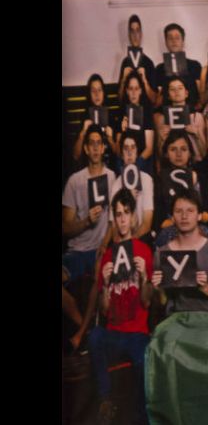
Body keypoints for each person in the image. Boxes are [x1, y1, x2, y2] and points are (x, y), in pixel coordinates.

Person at [89, 189, 153, 425]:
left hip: (137, 334)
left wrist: (145, 277)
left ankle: (141, 417)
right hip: (115, 333)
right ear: (114, 220)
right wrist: (105, 284)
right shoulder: (107, 256)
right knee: (95, 335)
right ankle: (105, 400)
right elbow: (104, 311)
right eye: (118, 214)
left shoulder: (144, 251)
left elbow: (147, 301)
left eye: (126, 213)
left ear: (133, 217)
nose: (123, 219)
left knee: (142, 361)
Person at [62, 125, 117, 354]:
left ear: (104, 148)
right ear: (85, 149)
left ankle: (79, 336)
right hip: (77, 250)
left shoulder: (113, 177)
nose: (95, 147)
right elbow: (65, 227)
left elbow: (115, 221)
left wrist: (104, 244)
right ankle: (82, 329)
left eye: (99, 143)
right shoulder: (75, 181)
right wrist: (86, 221)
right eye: (91, 143)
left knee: (99, 277)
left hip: (100, 248)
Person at [150, 189, 208, 315]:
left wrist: (205, 287)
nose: (184, 216)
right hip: (175, 321)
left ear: (200, 215)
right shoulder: (162, 254)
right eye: (179, 211)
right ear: (172, 217)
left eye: (190, 211)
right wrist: (157, 290)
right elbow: (162, 303)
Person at [99, 133, 155, 255]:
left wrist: (130, 244)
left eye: (133, 148)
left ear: (137, 152)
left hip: (141, 238)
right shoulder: (116, 184)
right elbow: (113, 226)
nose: (129, 152)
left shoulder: (146, 179)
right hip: (121, 240)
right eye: (125, 148)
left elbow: (146, 224)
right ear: (122, 154)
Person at [153, 76, 207, 170]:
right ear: (168, 95)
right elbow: (160, 154)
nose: (176, 91)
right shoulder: (162, 119)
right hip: (170, 166)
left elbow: (204, 153)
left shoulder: (197, 117)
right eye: (172, 89)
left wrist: (197, 134)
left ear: (186, 93)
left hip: (195, 166)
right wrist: (161, 139)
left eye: (180, 88)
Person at [154, 23, 203, 110]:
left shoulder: (195, 65)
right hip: (166, 114)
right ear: (166, 42)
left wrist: (196, 110)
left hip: (191, 113)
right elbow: (156, 100)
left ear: (183, 41)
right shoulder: (160, 68)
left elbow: (201, 95)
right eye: (170, 38)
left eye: (177, 38)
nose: (174, 41)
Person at [72, 74, 118, 165]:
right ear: (89, 94)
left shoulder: (111, 116)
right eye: (93, 91)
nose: (97, 94)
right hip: (90, 165)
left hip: (108, 164)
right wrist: (83, 132)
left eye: (99, 90)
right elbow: (75, 156)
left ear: (104, 92)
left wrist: (111, 139)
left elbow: (119, 154)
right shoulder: (85, 116)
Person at [117, 71, 155, 174]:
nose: (133, 92)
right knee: (118, 163)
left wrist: (136, 164)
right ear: (126, 91)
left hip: (142, 158)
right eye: (130, 88)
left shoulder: (146, 111)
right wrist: (122, 130)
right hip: (126, 158)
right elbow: (117, 149)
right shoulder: (122, 111)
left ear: (141, 91)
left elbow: (149, 148)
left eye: (136, 88)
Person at [117, 14, 156, 104]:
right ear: (129, 35)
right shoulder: (125, 62)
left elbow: (154, 100)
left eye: (138, 31)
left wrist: (145, 81)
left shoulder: (149, 63)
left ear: (141, 34)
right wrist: (123, 79)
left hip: (144, 111)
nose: (135, 35)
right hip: (127, 111)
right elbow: (119, 99)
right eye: (132, 31)